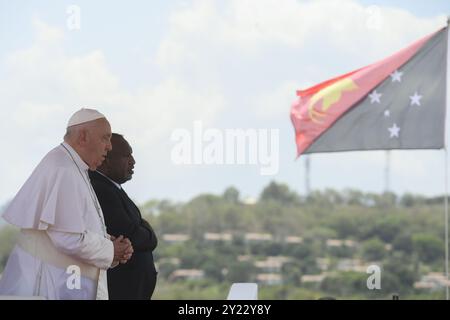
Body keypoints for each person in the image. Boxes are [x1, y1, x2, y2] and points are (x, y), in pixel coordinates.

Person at [0, 108, 134, 300]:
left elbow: (73, 228)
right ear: (83, 137)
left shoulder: (73, 166)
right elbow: (68, 237)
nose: (109, 147)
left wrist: (109, 243)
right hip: (51, 287)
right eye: (105, 138)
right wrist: (111, 250)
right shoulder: (63, 168)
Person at [89, 133, 158, 300]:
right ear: (106, 159)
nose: (133, 161)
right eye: (126, 155)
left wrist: (143, 230)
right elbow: (130, 236)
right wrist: (148, 233)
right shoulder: (101, 189)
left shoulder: (113, 188)